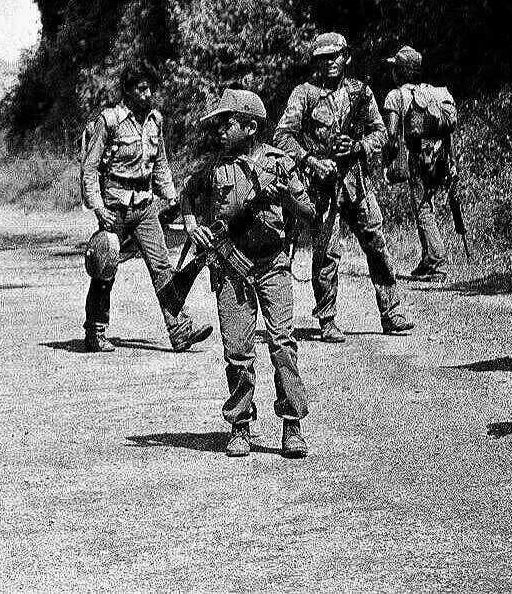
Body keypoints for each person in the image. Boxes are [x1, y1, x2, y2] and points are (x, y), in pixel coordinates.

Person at [182, 90, 316, 458]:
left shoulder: (279, 163)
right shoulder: (214, 168)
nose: (221, 130)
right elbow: (187, 194)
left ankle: (292, 425)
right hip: (232, 267)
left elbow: (309, 211)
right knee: (237, 350)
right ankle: (240, 425)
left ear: (250, 126)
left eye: (229, 123)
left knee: (282, 344)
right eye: (220, 124)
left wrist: (286, 196)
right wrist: (192, 224)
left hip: (273, 265)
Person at [275, 32, 414, 341]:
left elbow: (381, 133)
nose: (331, 62)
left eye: (336, 55)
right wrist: (310, 160)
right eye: (324, 57)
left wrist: (358, 146)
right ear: (316, 62)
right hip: (321, 186)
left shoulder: (360, 93)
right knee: (326, 254)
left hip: (355, 182)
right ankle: (326, 320)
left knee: (376, 243)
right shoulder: (304, 94)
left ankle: (391, 312)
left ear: (347, 57)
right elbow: (283, 136)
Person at [80, 63, 213, 354]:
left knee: (162, 266)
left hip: (145, 205)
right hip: (114, 206)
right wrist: (97, 207)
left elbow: (160, 162)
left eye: (150, 88)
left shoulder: (155, 121)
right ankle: (95, 331)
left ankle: (179, 331)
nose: (148, 93)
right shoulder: (110, 120)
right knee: (106, 268)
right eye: (141, 88)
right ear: (127, 90)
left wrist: (170, 196)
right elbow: (89, 168)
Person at [381, 46, 455, 282]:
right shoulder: (430, 93)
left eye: (394, 68)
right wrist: (451, 161)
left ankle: (437, 262)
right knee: (427, 206)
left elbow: (392, 136)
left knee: (423, 210)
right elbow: (447, 131)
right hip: (437, 156)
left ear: (400, 71)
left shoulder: (395, 96)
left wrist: (387, 164)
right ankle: (427, 260)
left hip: (417, 159)